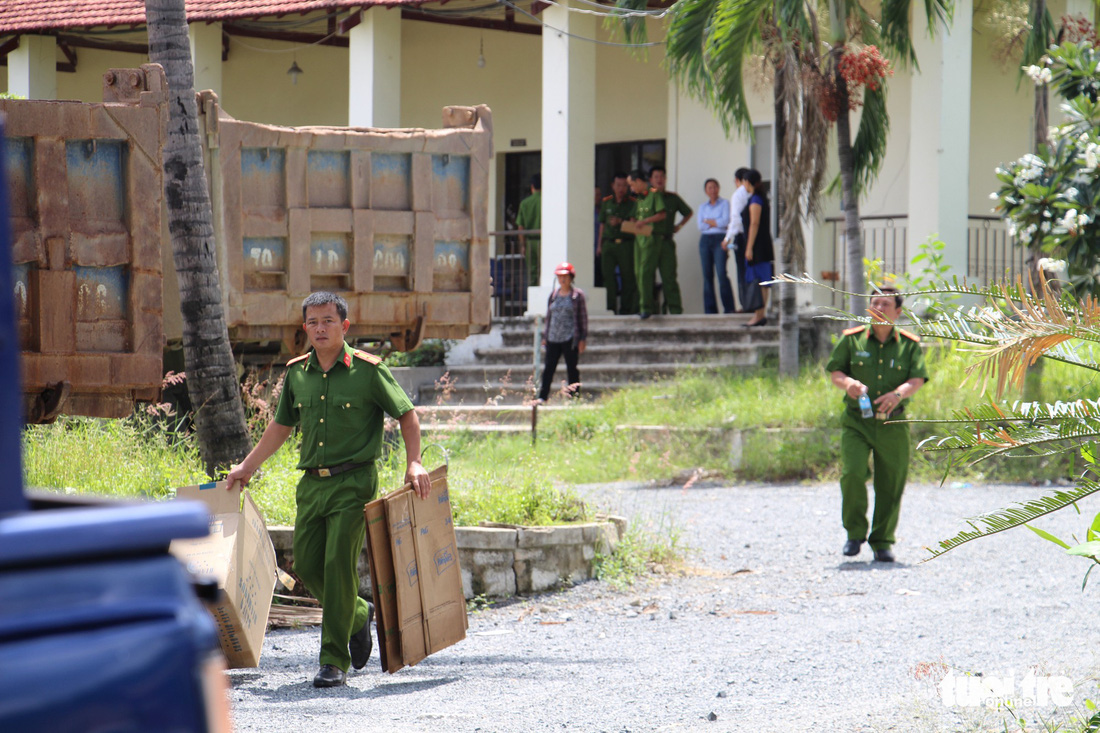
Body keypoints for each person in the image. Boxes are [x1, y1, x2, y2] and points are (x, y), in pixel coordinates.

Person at [225, 292, 431, 689]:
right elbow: (280, 428)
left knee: (338, 564)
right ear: (305, 328)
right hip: (311, 485)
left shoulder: (369, 372)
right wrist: (246, 468)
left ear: (344, 326)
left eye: (328, 321)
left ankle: (333, 661)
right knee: (306, 562)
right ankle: (357, 614)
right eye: (313, 322)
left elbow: (407, 414)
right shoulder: (297, 373)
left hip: (354, 482)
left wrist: (414, 461)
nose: (320, 328)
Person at [824, 287, 929, 563]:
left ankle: (882, 541)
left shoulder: (909, 343)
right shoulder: (852, 340)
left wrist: (898, 394)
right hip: (857, 422)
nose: (879, 308)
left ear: (898, 312)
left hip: (893, 424)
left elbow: (917, 378)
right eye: (875, 303)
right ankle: (855, 533)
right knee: (852, 474)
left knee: (891, 482)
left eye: (885, 304)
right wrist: (849, 384)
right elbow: (836, 371)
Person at [536, 262, 588, 402]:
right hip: (553, 338)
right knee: (548, 369)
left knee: (572, 369)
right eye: (560, 277)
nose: (562, 279)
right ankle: (543, 397)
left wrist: (582, 338)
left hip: (570, 338)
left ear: (571, 278)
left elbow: (583, 318)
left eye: (565, 276)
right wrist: (545, 336)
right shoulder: (553, 295)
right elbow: (549, 317)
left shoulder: (577, 296)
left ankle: (574, 397)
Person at [647, 166, 689, 315]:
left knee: (669, 278)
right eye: (656, 177)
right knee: (647, 278)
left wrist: (679, 226)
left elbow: (688, 212)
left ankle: (675, 310)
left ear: (665, 179)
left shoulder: (672, 198)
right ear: (650, 180)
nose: (659, 179)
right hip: (649, 243)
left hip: (666, 242)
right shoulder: (645, 198)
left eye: (661, 176)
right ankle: (649, 310)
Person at [626, 169, 667, 320]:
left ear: (638, 182)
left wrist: (645, 221)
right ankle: (644, 305)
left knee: (645, 272)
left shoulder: (654, 194)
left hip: (651, 237)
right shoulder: (639, 199)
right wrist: (632, 222)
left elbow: (662, 214)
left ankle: (646, 307)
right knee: (638, 272)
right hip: (639, 238)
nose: (631, 189)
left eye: (632, 185)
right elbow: (634, 216)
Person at [598, 173, 638, 314]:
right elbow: (602, 224)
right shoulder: (607, 201)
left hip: (626, 244)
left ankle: (626, 309)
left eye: (624, 186)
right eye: (618, 185)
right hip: (609, 244)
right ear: (613, 186)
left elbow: (634, 224)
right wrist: (599, 245)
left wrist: (621, 222)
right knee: (608, 277)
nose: (621, 189)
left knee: (628, 277)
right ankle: (610, 308)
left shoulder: (633, 202)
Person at [741, 169, 773, 327]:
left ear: (747, 182)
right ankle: (760, 314)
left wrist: (749, 247)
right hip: (763, 245)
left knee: (759, 280)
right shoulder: (760, 198)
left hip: (758, 246)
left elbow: (754, 223)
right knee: (763, 281)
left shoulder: (755, 200)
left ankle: (759, 315)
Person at [697, 178, 734, 314]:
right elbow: (700, 225)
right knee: (707, 276)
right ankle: (710, 310)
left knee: (721, 274)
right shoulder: (703, 207)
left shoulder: (725, 203)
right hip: (705, 240)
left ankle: (729, 308)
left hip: (720, 239)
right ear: (706, 191)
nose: (712, 190)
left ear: (718, 188)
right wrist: (715, 222)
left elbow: (725, 222)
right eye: (709, 188)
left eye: (714, 187)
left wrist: (708, 221)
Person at [721, 168, 752, 311]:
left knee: (742, 272)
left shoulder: (739, 194)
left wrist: (727, 238)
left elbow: (735, 220)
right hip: (753, 236)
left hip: (742, 236)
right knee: (751, 271)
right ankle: (752, 304)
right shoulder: (754, 193)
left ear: (739, 180)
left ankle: (745, 304)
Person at [516, 173, 542, 286]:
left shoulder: (525, 203)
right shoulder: (547, 201)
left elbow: (520, 227)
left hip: (530, 242)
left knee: (532, 273)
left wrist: (523, 245)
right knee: (547, 269)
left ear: (532, 186)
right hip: (545, 242)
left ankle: (533, 297)